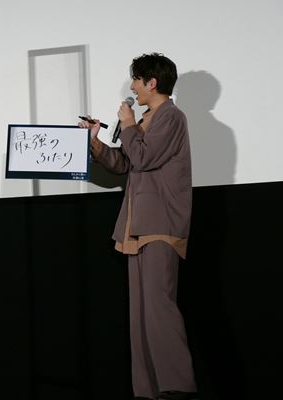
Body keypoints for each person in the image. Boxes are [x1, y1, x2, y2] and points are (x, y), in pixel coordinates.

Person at [79, 53, 197, 400]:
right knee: (141, 313)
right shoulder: (146, 120)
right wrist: (95, 141)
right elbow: (124, 163)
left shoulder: (171, 117)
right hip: (138, 224)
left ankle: (177, 385)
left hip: (161, 223)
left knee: (159, 306)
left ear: (152, 82)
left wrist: (129, 124)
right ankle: (148, 389)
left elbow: (143, 157)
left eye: (136, 80)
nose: (132, 87)